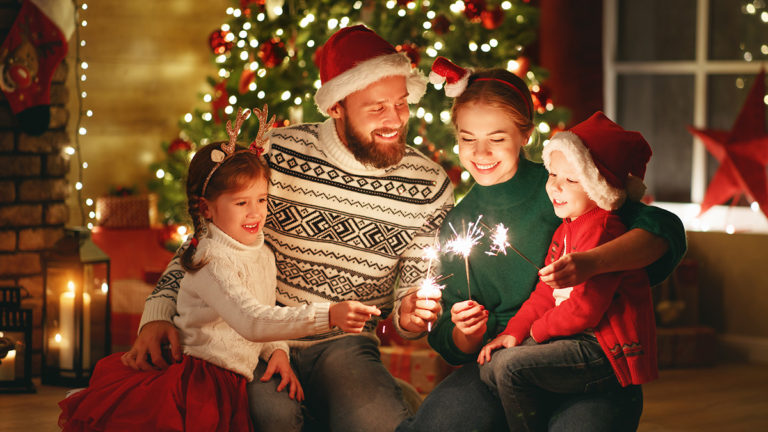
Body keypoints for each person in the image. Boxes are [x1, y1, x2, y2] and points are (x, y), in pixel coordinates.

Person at [121, 26, 454, 432]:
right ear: (336, 107)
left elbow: (413, 290)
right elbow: (207, 243)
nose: (395, 120)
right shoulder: (276, 154)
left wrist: (408, 313)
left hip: (343, 344)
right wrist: (157, 314)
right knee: (270, 415)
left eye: (401, 103)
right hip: (257, 339)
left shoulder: (429, 185)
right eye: (377, 107)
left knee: (377, 420)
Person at [397, 58, 685, 431]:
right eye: (467, 139)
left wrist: (593, 263)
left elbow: (663, 228)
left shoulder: (568, 186)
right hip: (501, 357)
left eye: (496, 139)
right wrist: (464, 334)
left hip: (585, 359)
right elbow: (447, 340)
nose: (480, 153)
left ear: (525, 134)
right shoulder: (459, 223)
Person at [58, 109, 380, 431]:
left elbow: (266, 311)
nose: (255, 212)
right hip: (202, 380)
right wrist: (329, 314)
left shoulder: (262, 253)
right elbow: (252, 320)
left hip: (234, 377)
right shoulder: (210, 259)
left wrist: (278, 351)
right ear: (206, 208)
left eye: (262, 199)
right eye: (241, 203)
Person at [477, 111, 659, 431]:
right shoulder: (566, 229)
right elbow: (545, 291)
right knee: (492, 366)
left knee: (509, 368)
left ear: (600, 188)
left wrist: (534, 335)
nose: (556, 187)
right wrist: (514, 332)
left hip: (601, 351)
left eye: (572, 179)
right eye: (553, 175)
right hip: (571, 340)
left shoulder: (605, 230)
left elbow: (585, 309)